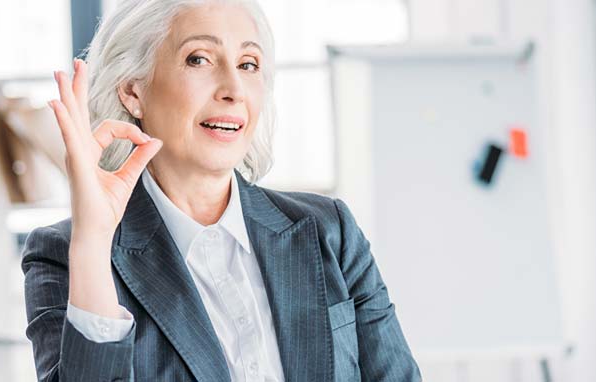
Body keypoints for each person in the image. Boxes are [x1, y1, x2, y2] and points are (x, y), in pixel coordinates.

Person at [21, 0, 421, 381]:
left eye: (249, 64)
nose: (234, 88)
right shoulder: (64, 254)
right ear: (133, 91)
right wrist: (93, 241)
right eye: (199, 59)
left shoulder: (329, 230)